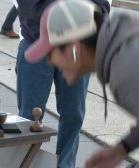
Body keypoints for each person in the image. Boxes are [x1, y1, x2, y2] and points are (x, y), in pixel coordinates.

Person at [25, 0, 139, 167]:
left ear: (74, 49)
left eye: (50, 54)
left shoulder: (125, 74)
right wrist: (121, 149)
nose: (49, 63)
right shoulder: (125, 51)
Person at [15, 0, 110, 167]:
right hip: (36, 39)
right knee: (29, 116)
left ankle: (66, 164)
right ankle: (25, 163)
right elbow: (27, 7)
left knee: (74, 114)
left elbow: (101, 6)